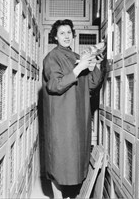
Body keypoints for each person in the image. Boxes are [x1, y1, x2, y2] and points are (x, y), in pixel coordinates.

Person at [42, 19, 106, 198]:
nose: (66, 36)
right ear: (55, 36)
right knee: (59, 159)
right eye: (62, 33)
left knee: (75, 160)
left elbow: (91, 85)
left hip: (78, 116)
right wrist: (78, 69)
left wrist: (96, 65)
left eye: (69, 32)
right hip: (62, 117)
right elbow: (54, 85)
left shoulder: (76, 56)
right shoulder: (52, 57)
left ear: (73, 35)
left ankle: (71, 194)